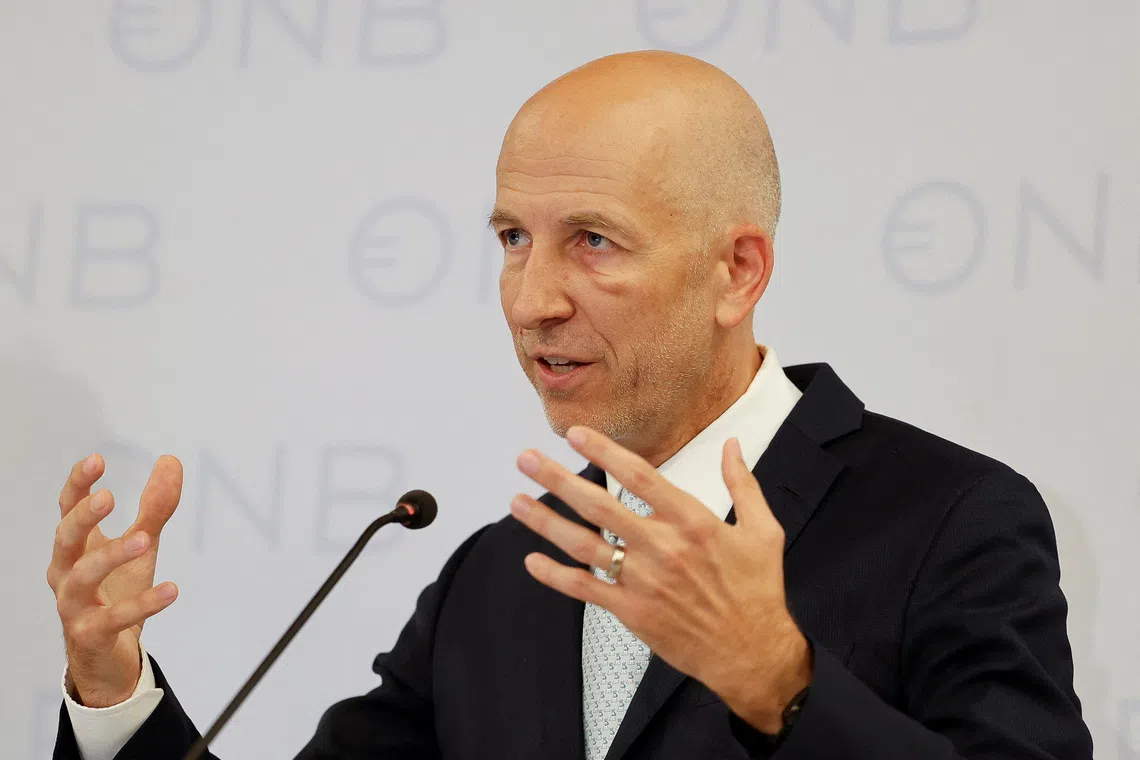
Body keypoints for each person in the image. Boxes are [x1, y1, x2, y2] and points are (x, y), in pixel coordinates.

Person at [48, 51, 1093, 759]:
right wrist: (112, 692)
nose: (531, 299)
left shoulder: (951, 519)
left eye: (592, 240)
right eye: (513, 238)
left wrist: (786, 683)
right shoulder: (498, 577)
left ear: (737, 271)